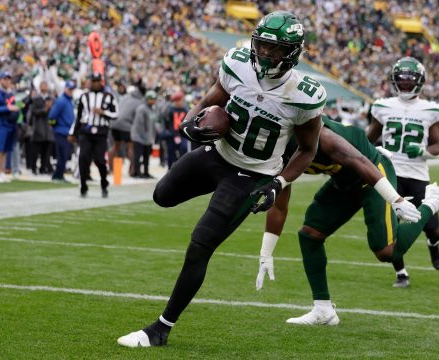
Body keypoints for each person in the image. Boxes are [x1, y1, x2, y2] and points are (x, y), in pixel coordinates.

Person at [117, 11, 326, 348]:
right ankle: (220, 200)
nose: (266, 54)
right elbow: (213, 96)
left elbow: (307, 150)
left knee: (200, 245)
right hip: (217, 155)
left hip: (252, 174)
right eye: (262, 45)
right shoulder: (238, 63)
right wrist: (189, 122)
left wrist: (278, 183)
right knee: (162, 195)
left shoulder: (303, 94)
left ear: (292, 52)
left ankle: (161, 328)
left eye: (275, 49)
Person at [255, 117, 439, 325]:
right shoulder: (279, 153)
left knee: (387, 252)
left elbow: (359, 160)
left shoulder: (324, 137)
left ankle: (434, 202)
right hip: (344, 182)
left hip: (372, 173)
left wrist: (395, 199)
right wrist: (266, 252)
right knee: (310, 234)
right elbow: (279, 205)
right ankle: (323, 310)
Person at [366, 57, 439, 286]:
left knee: (432, 227)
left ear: (419, 82)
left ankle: (434, 243)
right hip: (390, 174)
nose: (404, 85)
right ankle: (401, 272)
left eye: (409, 81)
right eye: (400, 81)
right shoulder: (383, 106)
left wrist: (421, 151)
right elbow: (367, 139)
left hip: (418, 175)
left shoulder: (431, 110)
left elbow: (437, 147)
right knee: (392, 227)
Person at [68, 72, 118, 197]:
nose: (95, 83)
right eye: (93, 81)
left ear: (101, 82)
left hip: (101, 133)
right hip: (86, 132)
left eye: (97, 81)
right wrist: (73, 133)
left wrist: (103, 112)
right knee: (83, 158)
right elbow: (79, 117)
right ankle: (83, 186)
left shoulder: (109, 96)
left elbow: (116, 114)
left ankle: (104, 184)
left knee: (100, 160)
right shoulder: (84, 96)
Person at [0, 71, 19, 183]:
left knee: (4, 150)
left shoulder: (9, 93)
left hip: (9, 125)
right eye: (5, 79)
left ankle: (1, 172)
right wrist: (9, 108)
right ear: (0, 80)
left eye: (8, 79)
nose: (7, 81)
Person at [110, 80, 145, 175]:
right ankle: (132, 170)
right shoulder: (140, 102)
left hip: (114, 123)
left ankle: (110, 169)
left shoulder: (126, 96)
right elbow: (137, 119)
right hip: (126, 125)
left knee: (115, 146)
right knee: (131, 147)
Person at [48, 80, 76, 182]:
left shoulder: (68, 101)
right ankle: (57, 175)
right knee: (62, 154)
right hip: (61, 131)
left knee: (65, 155)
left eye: (72, 89)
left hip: (67, 131)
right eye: (69, 89)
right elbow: (52, 116)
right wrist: (56, 127)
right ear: (65, 89)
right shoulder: (61, 101)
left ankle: (59, 175)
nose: (71, 91)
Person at [28, 81, 55, 175]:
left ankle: (43, 168)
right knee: (35, 151)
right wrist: (44, 109)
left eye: (45, 85)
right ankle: (33, 167)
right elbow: (34, 112)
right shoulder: (36, 99)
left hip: (48, 129)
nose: (44, 87)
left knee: (46, 151)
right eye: (42, 85)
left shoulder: (51, 99)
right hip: (39, 128)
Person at [130, 90, 158, 178]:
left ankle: (146, 172)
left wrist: (152, 136)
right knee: (138, 156)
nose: (153, 101)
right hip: (139, 137)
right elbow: (139, 125)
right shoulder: (141, 109)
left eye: (154, 99)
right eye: (151, 99)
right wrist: (144, 137)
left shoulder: (152, 109)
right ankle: (137, 172)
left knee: (147, 156)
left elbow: (153, 123)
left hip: (148, 137)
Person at [160, 91, 190, 168]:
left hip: (182, 135)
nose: (182, 102)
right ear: (176, 101)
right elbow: (167, 123)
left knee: (184, 149)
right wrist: (173, 134)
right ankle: (170, 169)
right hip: (172, 134)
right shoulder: (170, 109)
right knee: (171, 153)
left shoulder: (185, 109)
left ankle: (182, 168)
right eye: (181, 100)